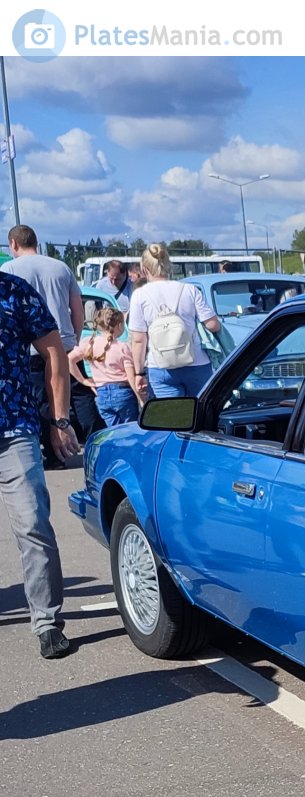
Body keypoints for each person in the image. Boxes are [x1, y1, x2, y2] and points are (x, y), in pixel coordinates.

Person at [0, 271, 80, 658]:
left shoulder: (13, 291)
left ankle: (47, 621)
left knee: (33, 521)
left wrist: (59, 419)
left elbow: (53, 352)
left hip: (13, 427)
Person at [3, 225, 84, 468]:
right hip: (62, 343)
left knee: (35, 402)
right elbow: (77, 308)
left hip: (26, 349)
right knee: (63, 400)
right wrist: (74, 339)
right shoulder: (61, 267)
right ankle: (60, 447)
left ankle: (40, 452)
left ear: (14, 244)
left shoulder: (9, 270)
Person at [126, 242, 221, 399]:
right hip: (196, 362)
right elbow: (212, 325)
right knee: (200, 414)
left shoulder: (139, 295)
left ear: (144, 269)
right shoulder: (189, 290)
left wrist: (139, 373)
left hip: (160, 365)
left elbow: (138, 340)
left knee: (171, 418)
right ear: (168, 265)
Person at [70, 305, 142, 427]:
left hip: (101, 395)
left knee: (113, 431)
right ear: (119, 326)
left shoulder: (89, 343)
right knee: (129, 431)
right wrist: (140, 398)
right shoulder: (122, 347)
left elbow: (69, 360)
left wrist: (83, 381)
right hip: (123, 393)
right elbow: (130, 378)